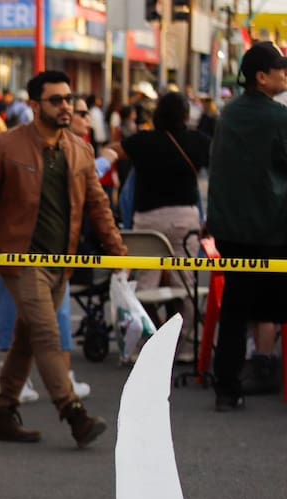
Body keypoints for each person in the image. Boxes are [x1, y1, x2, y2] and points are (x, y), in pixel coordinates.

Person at [0, 70, 126, 448]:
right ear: (35, 105)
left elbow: (98, 204)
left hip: (61, 263)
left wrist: (118, 249)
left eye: (69, 99)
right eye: (56, 100)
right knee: (48, 334)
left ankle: (1, 414)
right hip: (20, 259)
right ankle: (73, 413)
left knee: (27, 338)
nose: (66, 106)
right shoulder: (6, 145)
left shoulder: (79, 148)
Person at [206, 41, 287, 411]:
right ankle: (266, 366)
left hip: (229, 230)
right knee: (268, 304)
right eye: (281, 70)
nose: (285, 75)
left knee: (235, 309)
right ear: (261, 77)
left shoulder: (228, 114)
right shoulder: (277, 118)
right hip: (272, 230)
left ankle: (227, 386)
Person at [117, 90, 209, 360]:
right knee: (186, 284)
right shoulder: (198, 141)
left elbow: (115, 151)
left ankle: (145, 343)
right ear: (185, 114)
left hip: (148, 222)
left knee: (146, 287)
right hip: (184, 220)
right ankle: (184, 346)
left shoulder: (141, 141)